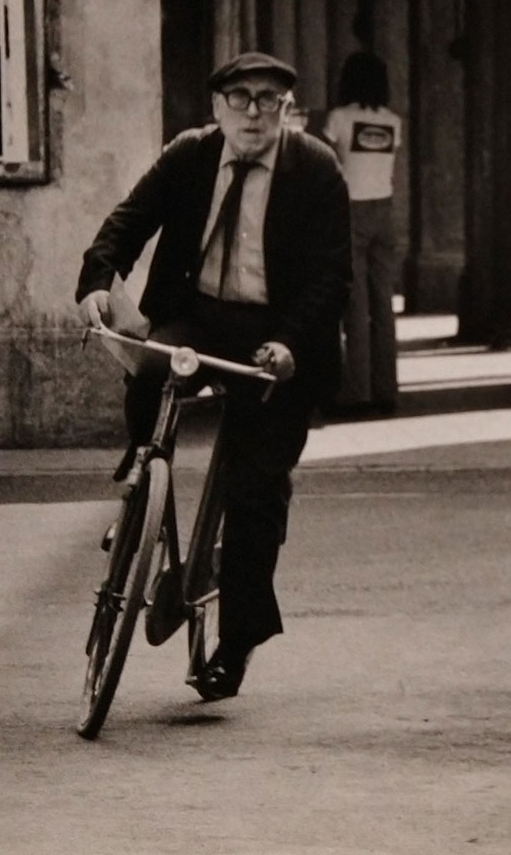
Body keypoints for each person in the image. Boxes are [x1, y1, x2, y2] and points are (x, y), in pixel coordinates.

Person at [76, 51, 352, 701]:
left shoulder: (315, 169)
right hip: (195, 315)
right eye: (241, 98)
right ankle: (143, 485)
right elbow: (128, 222)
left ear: (288, 110)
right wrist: (95, 281)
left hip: (277, 334)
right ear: (217, 108)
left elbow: (329, 278)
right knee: (149, 368)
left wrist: (287, 344)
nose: (254, 111)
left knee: (256, 494)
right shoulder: (190, 155)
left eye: (269, 100)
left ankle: (234, 647)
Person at [322, 51, 404, 417]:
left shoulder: (339, 118)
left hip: (350, 210)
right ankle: (386, 392)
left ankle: (356, 394)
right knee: (383, 303)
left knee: (354, 304)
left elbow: (327, 160)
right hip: (385, 210)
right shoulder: (392, 122)